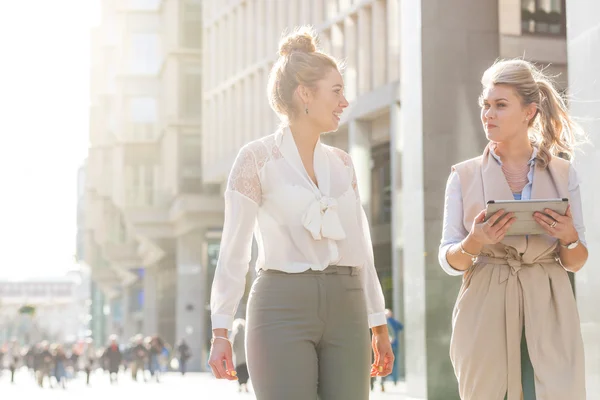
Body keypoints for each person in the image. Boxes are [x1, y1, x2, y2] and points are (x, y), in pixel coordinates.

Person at [208, 26, 393, 400]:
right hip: (280, 307)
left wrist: (379, 325)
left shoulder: (343, 164)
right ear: (305, 94)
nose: (344, 101)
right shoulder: (256, 159)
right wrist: (220, 329)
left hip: (348, 304)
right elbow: (234, 252)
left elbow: (363, 250)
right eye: (337, 91)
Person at [438, 59, 588, 400]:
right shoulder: (463, 175)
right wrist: (474, 242)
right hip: (485, 304)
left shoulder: (564, 173)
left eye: (500, 105)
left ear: (529, 112)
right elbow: (449, 259)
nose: (488, 114)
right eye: (485, 105)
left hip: (550, 302)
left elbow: (577, 260)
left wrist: (569, 237)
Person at [231, 319, 249, 393]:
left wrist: (234, 353)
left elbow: (233, 345)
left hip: (238, 358)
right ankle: (245, 385)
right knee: (245, 371)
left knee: (239, 371)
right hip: (246, 357)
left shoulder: (235, 334)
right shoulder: (246, 333)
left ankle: (240, 386)